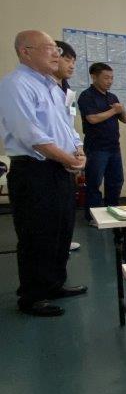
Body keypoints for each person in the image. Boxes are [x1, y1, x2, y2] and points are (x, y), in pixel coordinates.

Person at [0, 30, 87, 316]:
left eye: (57, 50)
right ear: (26, 52)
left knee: (61, 230)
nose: (56, 54)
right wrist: (68, 159)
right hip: (34, 171)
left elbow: (66, 128)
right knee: (37, 234)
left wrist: (78, 151)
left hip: (59, 169)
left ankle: (54, 285)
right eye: (50, 49)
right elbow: (30, 135)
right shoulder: (16, 85)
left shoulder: (51, 86)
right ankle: (32, 296)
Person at [77, 62, 126, 221]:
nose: (110, 81)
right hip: (96, 148)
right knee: (94, 184)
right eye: (106, 77)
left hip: (114, 147)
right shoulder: (87, 96)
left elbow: (125, 119)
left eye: (112, 78)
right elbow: (92, 119)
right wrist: (114, 110)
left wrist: (122, 109)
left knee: (116, 181)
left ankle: (112, 213)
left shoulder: (112, 97)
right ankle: (93, 217)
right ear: (94, 77)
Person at [53, 41, 81, 252]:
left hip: (68, 160)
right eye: (67, 59)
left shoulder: (68, 91)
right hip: (48, 160)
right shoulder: (42, 87)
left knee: (65, 210)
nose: (71, 65)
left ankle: (63, 243)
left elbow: (69, 125)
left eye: (73, 61)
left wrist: (79, 149)